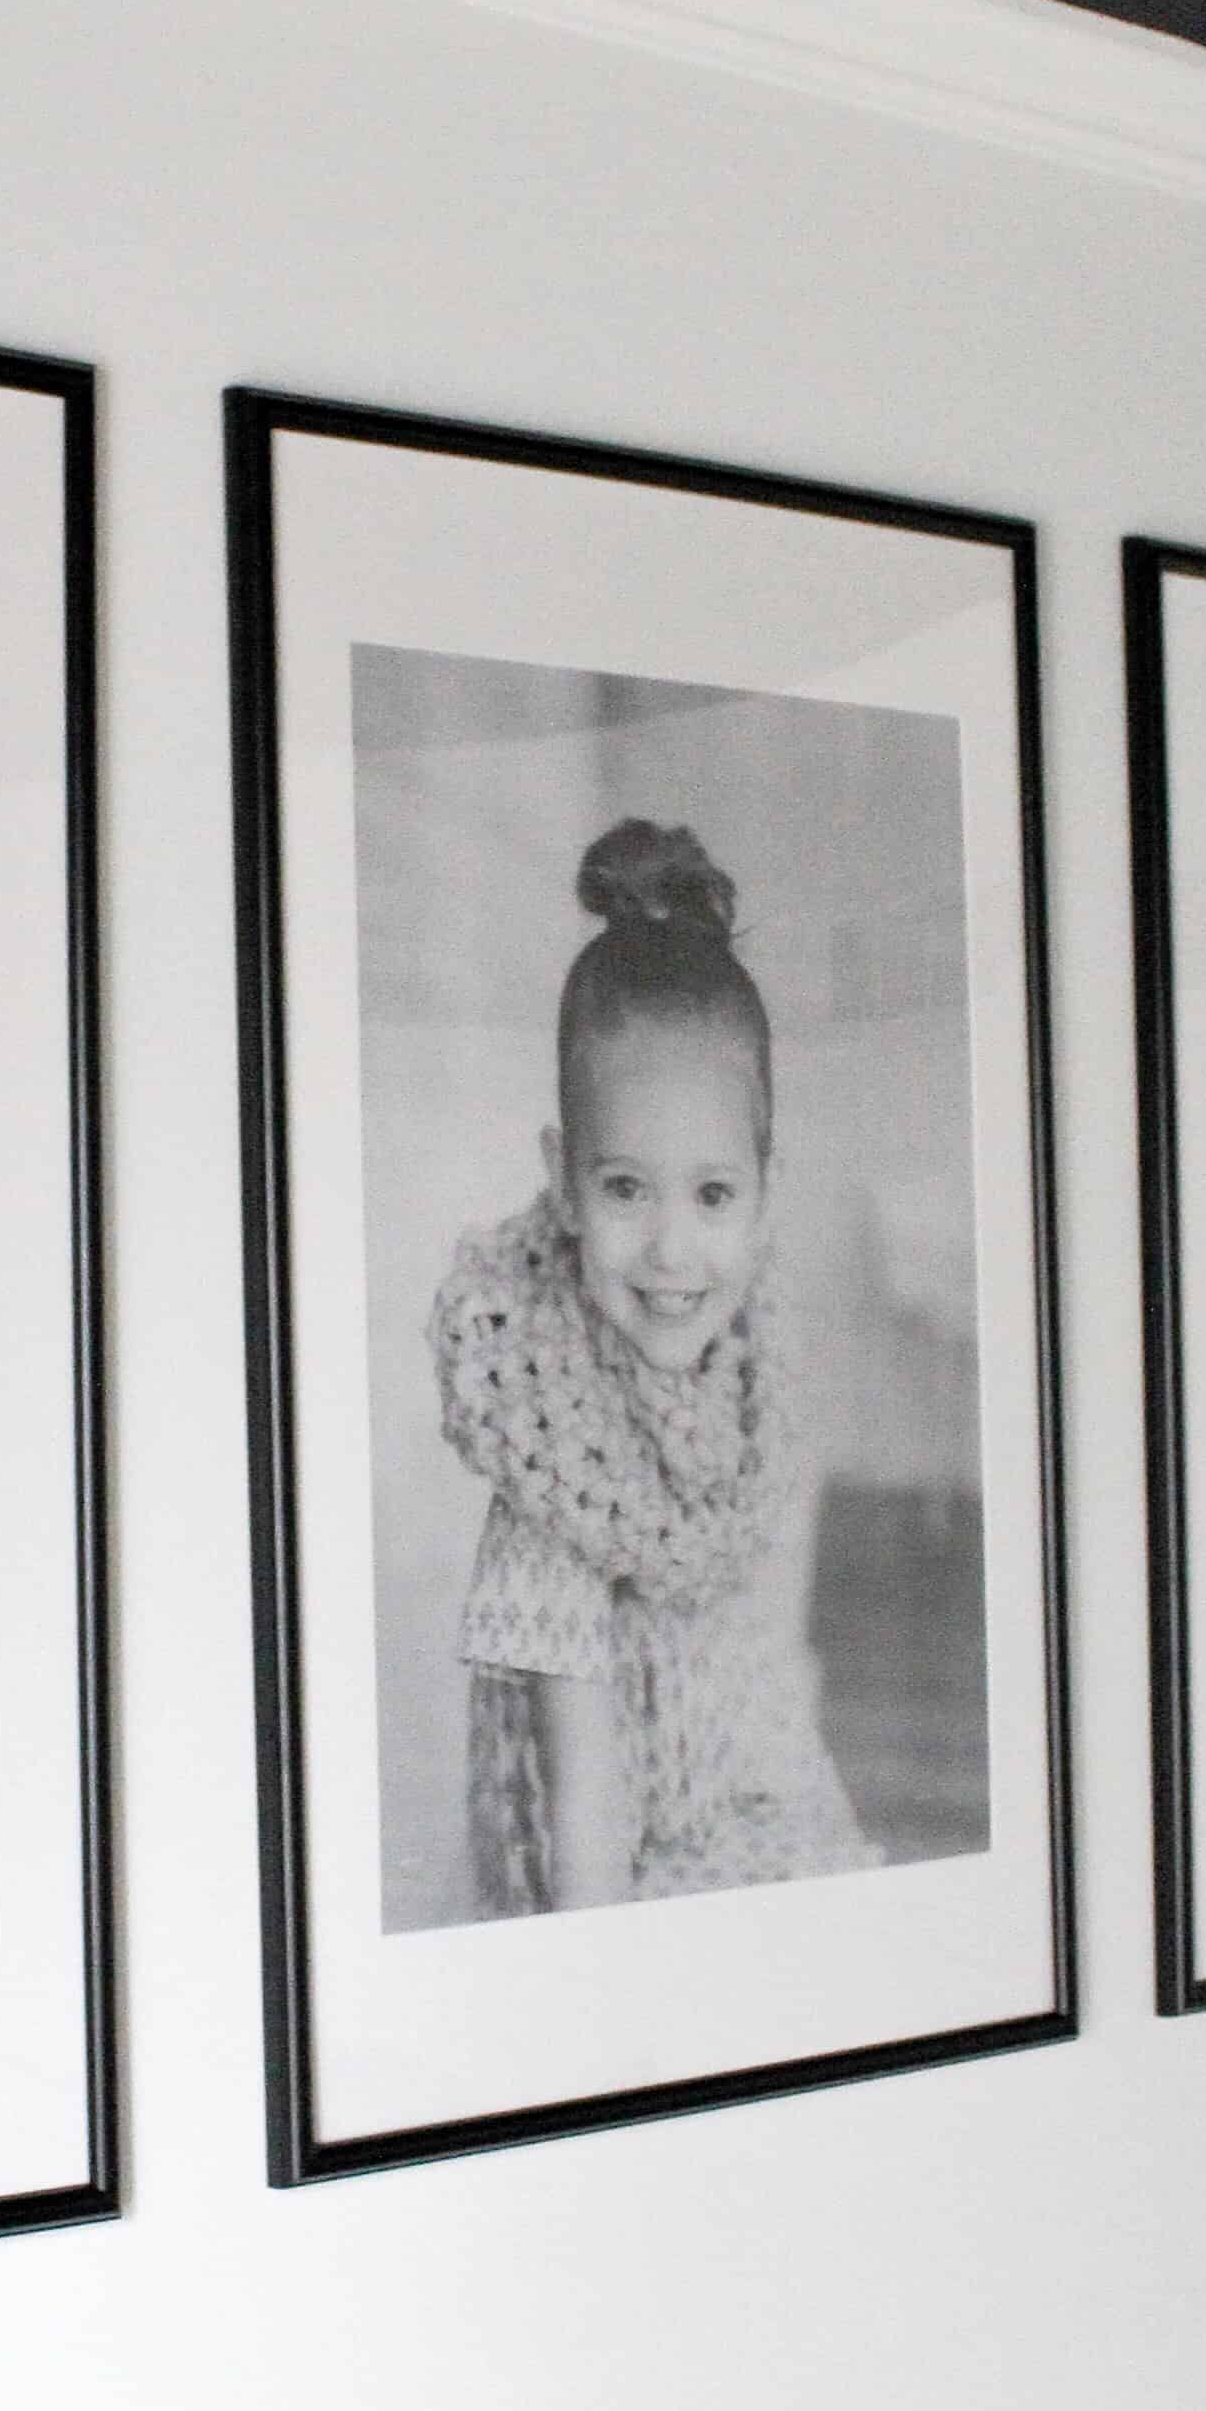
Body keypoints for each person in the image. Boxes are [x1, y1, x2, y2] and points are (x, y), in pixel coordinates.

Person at [429, 816, 868, 1914]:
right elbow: (584, 1816)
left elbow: (769, 1644)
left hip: (752, 1781)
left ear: (765, 1190)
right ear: (564, 1182)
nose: (673, 1249)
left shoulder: (756, 1365)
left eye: (711, 1194)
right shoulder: (555, 1459)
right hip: (616, 1865)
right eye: (627, 1188)